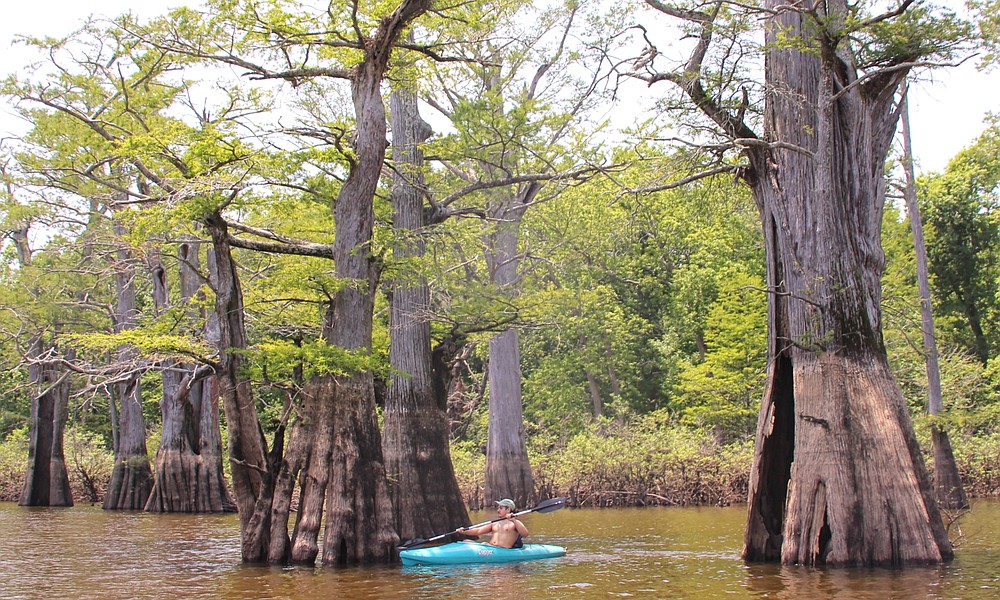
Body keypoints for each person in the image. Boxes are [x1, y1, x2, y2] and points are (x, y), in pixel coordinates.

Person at [456, 498, 529, 548]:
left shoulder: (515, 523)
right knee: (466, 541)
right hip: (490, 548)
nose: (498, 510)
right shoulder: (495, 523)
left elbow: (525, 534)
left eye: (501, 508)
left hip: (502, 550)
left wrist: (514, 520)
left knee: (484, 543)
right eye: (498, 508)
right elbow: (478, 531)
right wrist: (464, 531)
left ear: (508, 510)